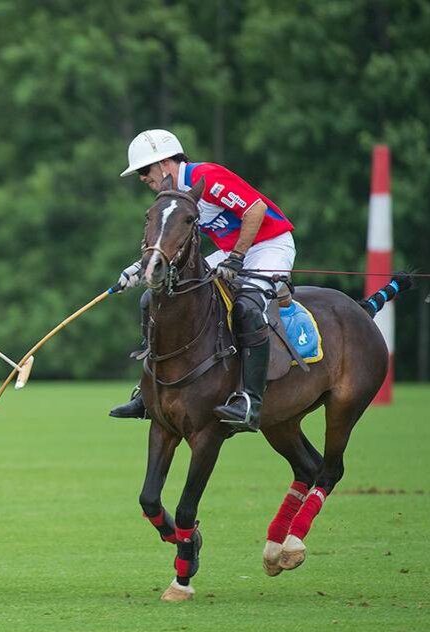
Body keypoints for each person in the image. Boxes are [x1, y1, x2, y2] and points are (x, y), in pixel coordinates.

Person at [109, 129, 296, 432]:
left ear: (165, 163)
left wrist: (236, 258)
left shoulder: (206, 177)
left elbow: (256, 209)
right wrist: (137, 269)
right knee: (152, 299)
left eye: (145, 171)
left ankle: (250, 401)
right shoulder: (174, 198)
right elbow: (169, 249)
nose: (143, 178)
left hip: (269, 245)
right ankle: (148, 392)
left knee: (247, 308)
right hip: (229, 250)